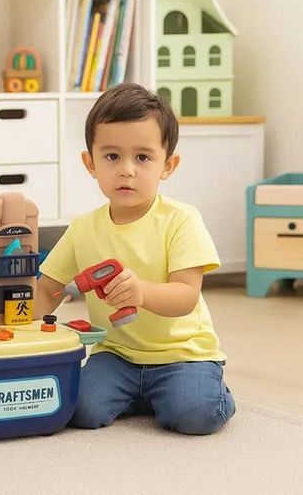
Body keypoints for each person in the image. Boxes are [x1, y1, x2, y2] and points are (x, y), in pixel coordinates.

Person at [36, 82, 235, 435]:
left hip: (183, 355)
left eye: (142, 158)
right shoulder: (83, 229)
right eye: (112, 156)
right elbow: (46, 289)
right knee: (76, 408)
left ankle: (207, 390)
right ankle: (145, 397)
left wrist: (142, 292)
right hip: (116, 354)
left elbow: (186, 296)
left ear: (167, 165)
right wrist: (8, 326)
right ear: (90, 163)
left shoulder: (181, 219)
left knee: (195, 413)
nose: (126, 170)